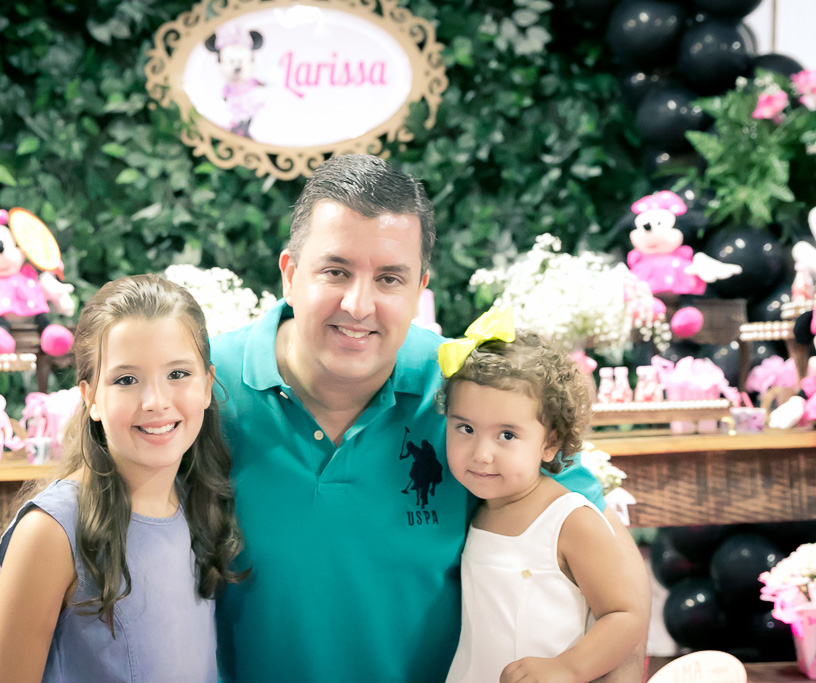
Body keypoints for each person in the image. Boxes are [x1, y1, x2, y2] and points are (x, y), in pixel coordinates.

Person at [211, 153, 649, 682]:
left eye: (389, 279)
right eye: (336, 271)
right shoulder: (200, 389)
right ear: (289, 274)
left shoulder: (472, 391)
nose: (359, 305)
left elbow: (614, 586)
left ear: (420, 290)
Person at [0, 275, 245, 682]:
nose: (156, 401)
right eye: (126, 380)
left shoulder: (198, 505)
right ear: (90, 398)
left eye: (177, 374)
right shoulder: (50, 533)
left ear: (207, 386)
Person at [439, 307, 650, 683]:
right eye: (465, 428)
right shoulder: (478, 508)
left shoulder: (569, 520)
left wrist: (567, 667)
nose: (481, 454)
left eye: (507, 435)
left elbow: (625, 615)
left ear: (550, 443)